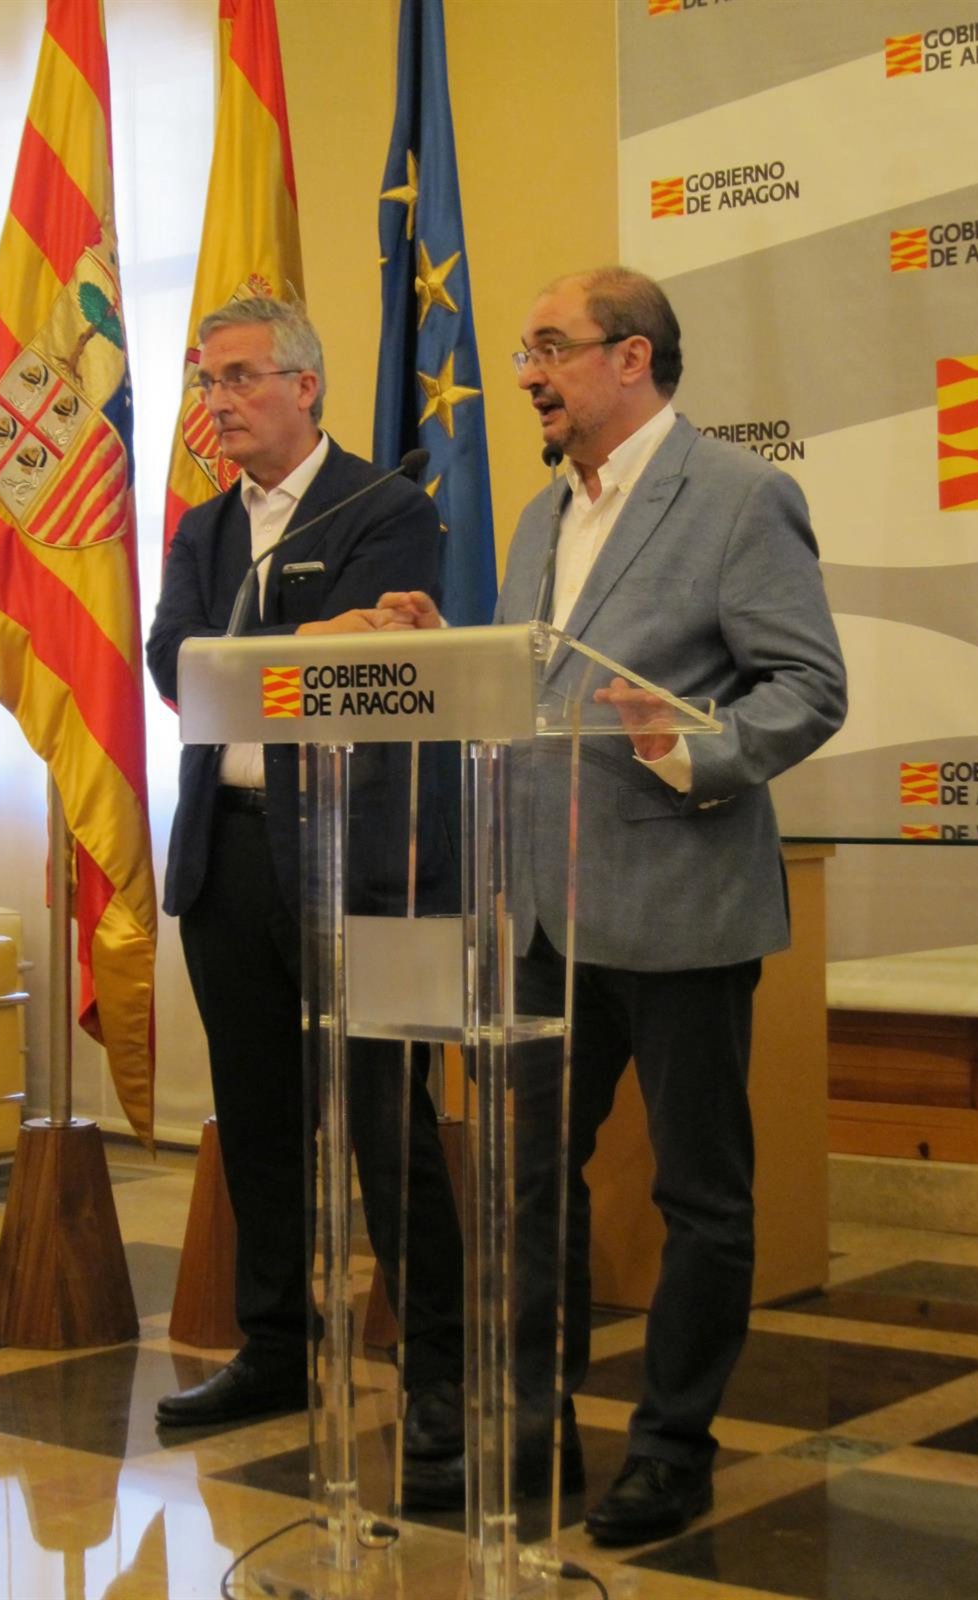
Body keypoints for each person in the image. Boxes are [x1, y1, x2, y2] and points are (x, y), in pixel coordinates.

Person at [378, 267, 847, 1544]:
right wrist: (452, 644)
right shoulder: (542, 518)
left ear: (631, 357)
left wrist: (691, 746)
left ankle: (672, 1448)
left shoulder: (739, 496)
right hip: (543, 914)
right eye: (526, 351)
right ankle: (534, 1427)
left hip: (683, 904)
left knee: (702, 1197)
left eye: (550, 348)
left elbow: (808, 686)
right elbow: (543, 683)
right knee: (528, 1185)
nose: (527, 373)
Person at [146, 297, 464, 1501]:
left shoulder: (385, 506)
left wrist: (279, 656)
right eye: (206, 381)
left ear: (305, 385)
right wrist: (300, 641)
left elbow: (367, 665)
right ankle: (277, 1348)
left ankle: (436, 1369)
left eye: (238, 377)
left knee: (388, 1122)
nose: (217, 401)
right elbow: (175, 663)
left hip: (356, 857)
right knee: (259, 1120)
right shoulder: (203, 525)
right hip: (226, 856)